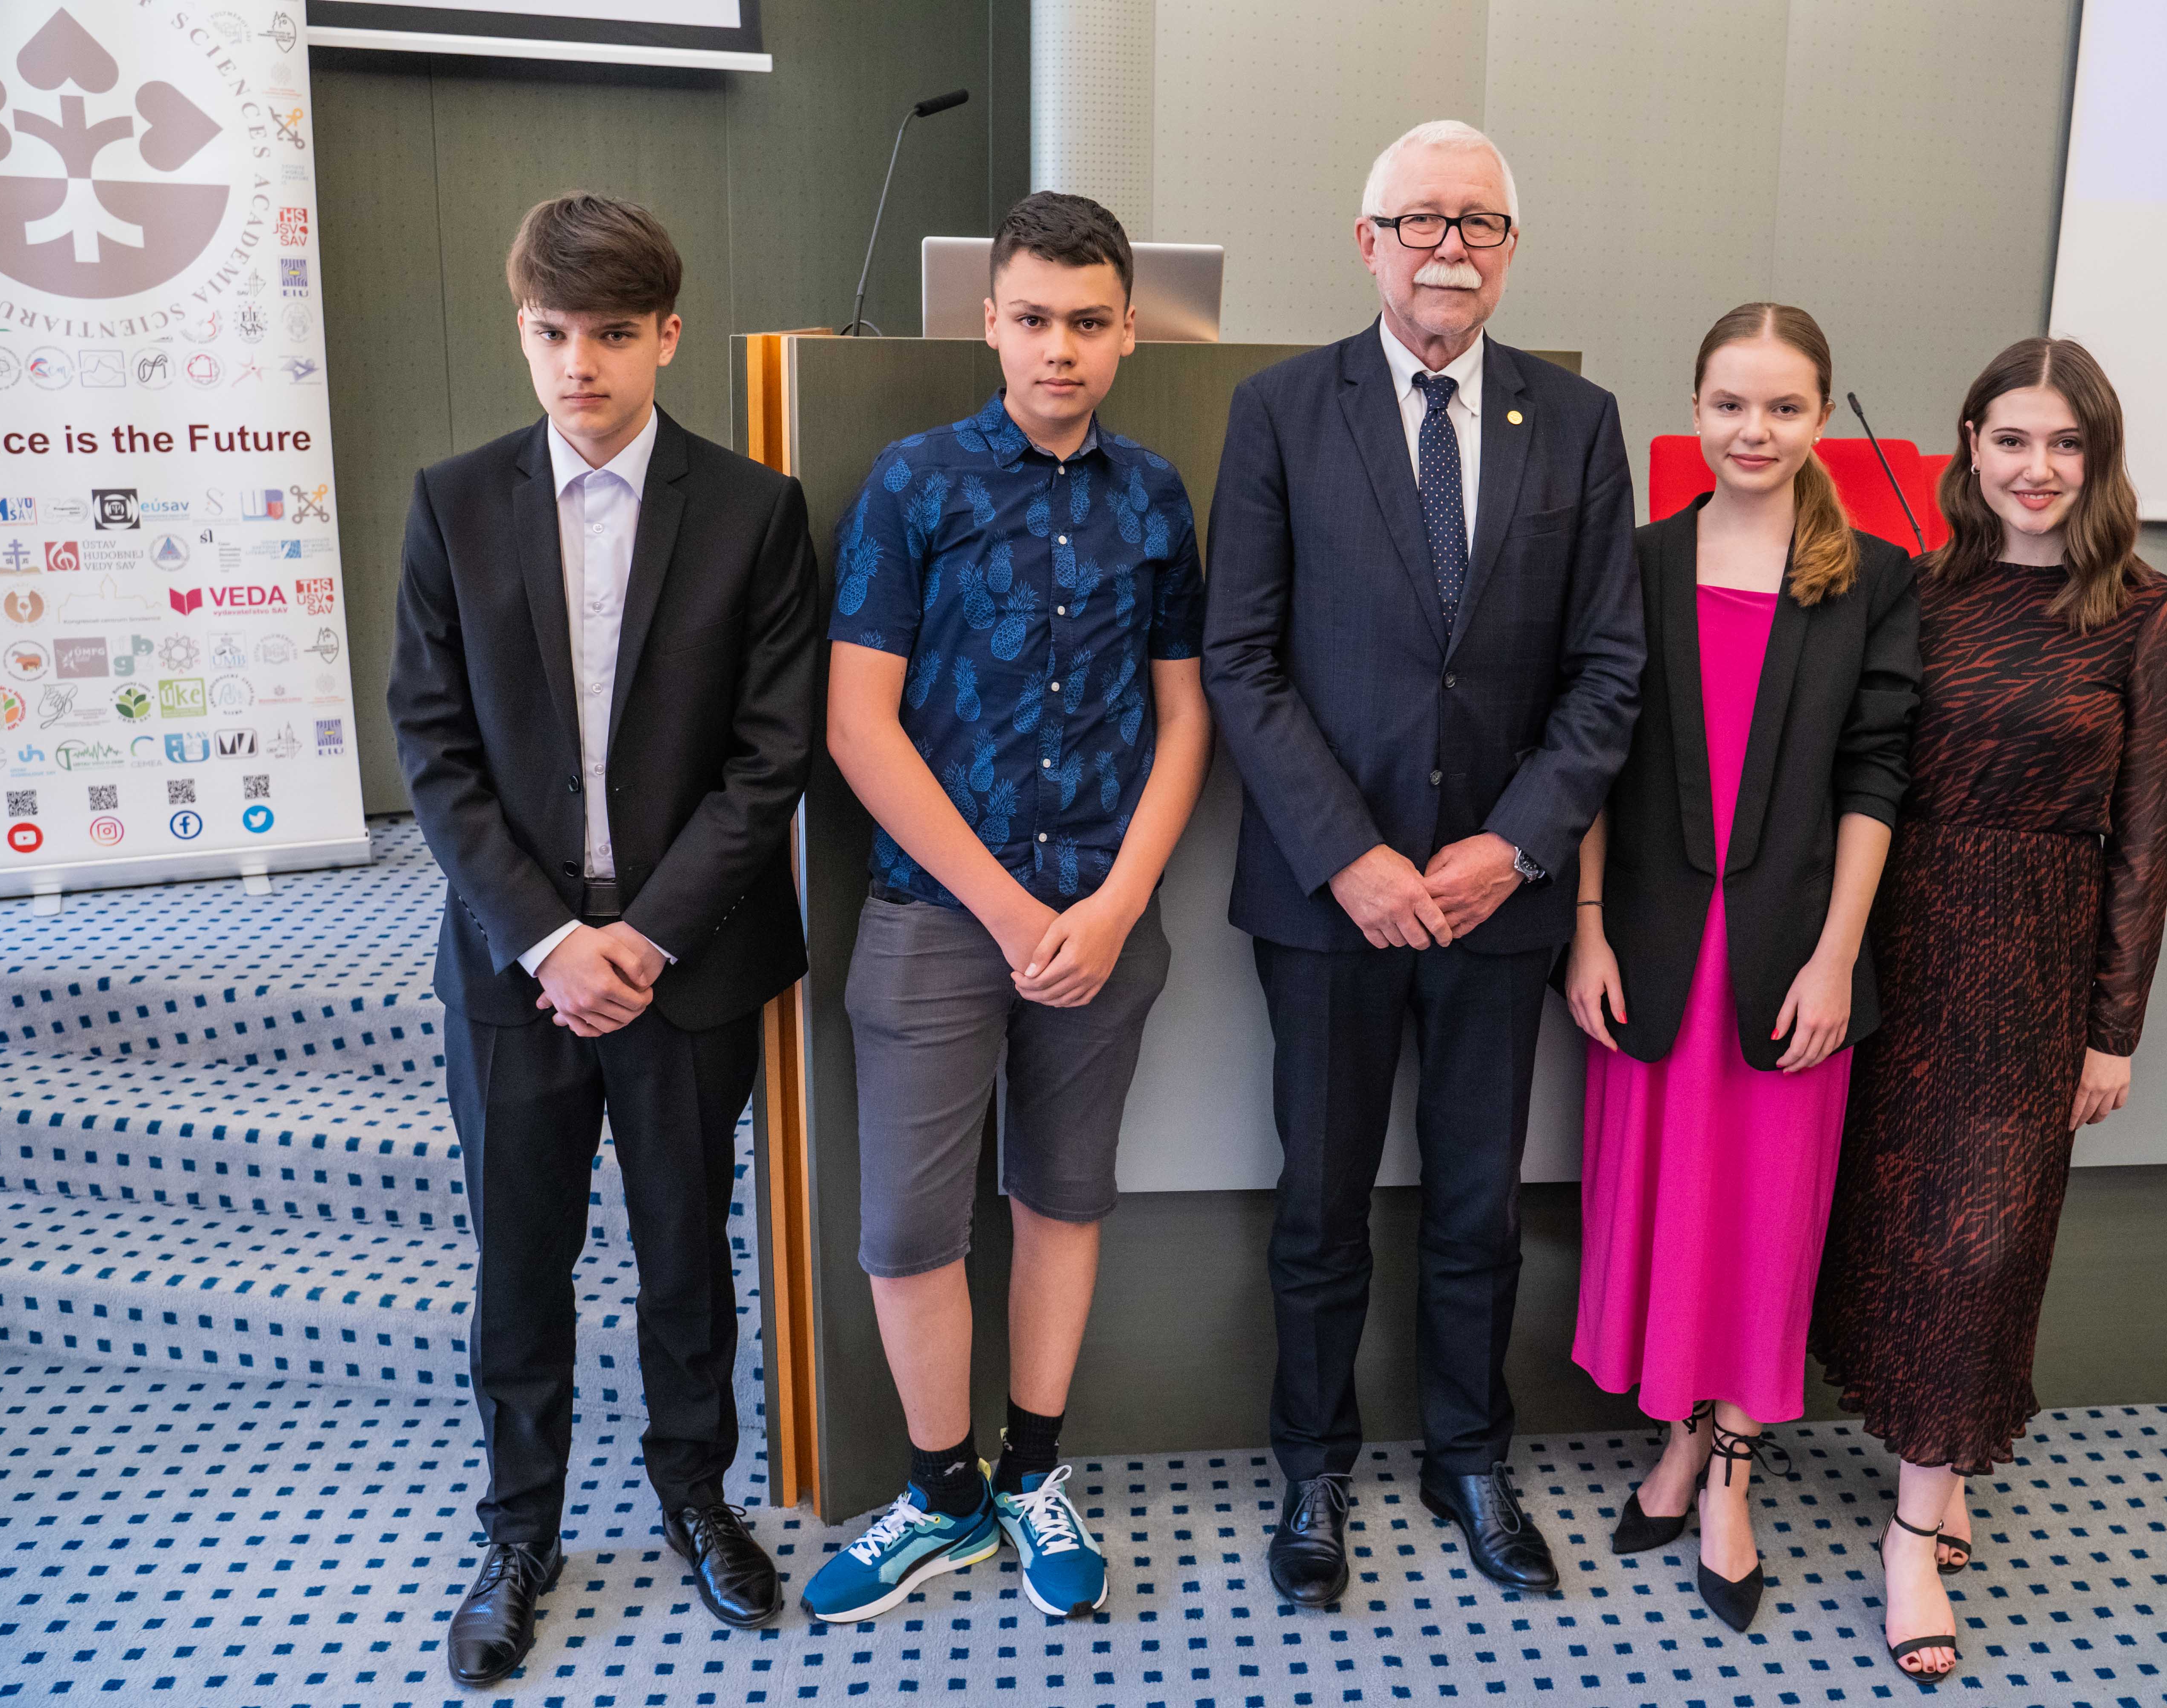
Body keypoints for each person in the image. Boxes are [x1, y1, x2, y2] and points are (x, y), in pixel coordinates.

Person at [1203, 120, 1644, 1607]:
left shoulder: (1578, 423)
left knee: (1476, 1209)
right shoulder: (1280, 411)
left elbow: (1608, 672)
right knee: (1321, 1211)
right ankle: (1313, 1470)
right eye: (1422, 221)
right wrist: (1354, 858)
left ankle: (1471, 1457)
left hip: (1495, 905)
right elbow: (1241, 657)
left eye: (1480, 223)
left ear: (1510, 249)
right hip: (1329, 904)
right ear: (1368, 241)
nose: (1451, 247)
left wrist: (1513, 850)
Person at [389, 195, 818, 1685]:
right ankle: (521, 1532)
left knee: (688, 1253)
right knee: (522, 1262)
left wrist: (641, 939)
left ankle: (697, 1498)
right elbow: (432, 750)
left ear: (667, 338)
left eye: (614, 334)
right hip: (514, 969)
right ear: (524, 332)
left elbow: (772, 757)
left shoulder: (756, 511)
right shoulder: (453, 505)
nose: (581, 364)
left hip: (690, 963)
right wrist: (548, 941)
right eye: (553, 332)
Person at [803, 192, 1211, 1625]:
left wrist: (1116, 905)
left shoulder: (1153, 496)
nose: (1059, 349)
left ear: (1129, 332)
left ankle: (1034, 1474)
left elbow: (1186, 718)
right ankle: (942, 1498)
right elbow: (858, 724)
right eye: (1033, 319)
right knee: (909, 1228)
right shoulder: (913, 484)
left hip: (1103, 917)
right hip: (934, 913)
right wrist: (1001, 907)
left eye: (1089, 323)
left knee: (1062, 1197)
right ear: (989, 321)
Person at [1809, 335, 2167, 1685]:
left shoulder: (2147, 614)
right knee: (1892, 1228)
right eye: (2014, 439)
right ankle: (1936, 1456)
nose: (2038, 469)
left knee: (1986, 1249)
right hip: (1900, 942)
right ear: (1969, 445)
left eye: (2066, 444)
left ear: (2100, 458)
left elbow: (2146, 841)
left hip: (2037, 963)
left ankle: (1913, 1535)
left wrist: (2114, 1027)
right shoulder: (1915, 593)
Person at [1563, 303, 1919, 1633]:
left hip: (1790, 961)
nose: (1753, 431)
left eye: (1782, 407)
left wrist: (1838, 957)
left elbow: (1876, 776)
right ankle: (1678, 1436)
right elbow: (1588, 752)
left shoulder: (1875, 576)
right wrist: (1587, 926)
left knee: (1765, 1221)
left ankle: (1729, 1472)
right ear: (1694, 410)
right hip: (1653, 953)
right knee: (1674, 1213)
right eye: (1729, 404)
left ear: (1821, 418)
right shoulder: (1638, 559)